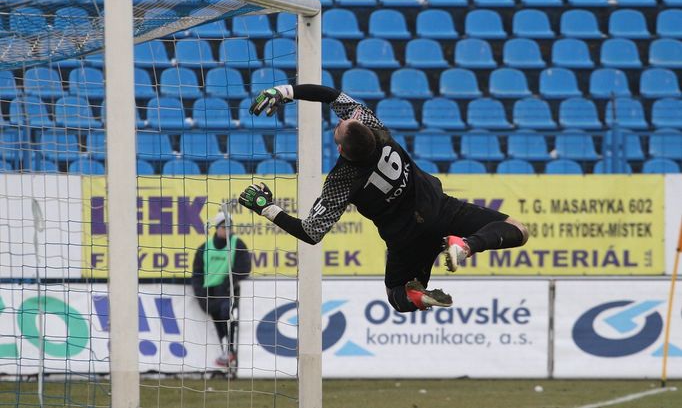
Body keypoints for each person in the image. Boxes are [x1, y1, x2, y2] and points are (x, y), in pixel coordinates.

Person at [239, 84, 529, 313]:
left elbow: (312, 233)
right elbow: (330, 94)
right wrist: (286, 91)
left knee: (398, 296)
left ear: (340, 151)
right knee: (518, 229)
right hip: (440, 209)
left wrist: (268, 208)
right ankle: (466, 245)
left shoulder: (341, 181)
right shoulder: (371, 122)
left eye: (337, 130)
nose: (340, 122)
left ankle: (418, 296)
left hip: (406, 238)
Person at [191, 209, 251, 368]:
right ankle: (227, 354)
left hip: (228, 292)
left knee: (228, 313)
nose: (227, 230)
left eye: (230, 227)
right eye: (224, 227)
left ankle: (232, 351)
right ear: (217, 228)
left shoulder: (238, 244)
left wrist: (228, 286)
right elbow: (197, 274)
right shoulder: (204, 248)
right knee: (218, 323)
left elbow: (244, 269)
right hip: (209, 294)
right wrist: (201, 296)